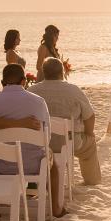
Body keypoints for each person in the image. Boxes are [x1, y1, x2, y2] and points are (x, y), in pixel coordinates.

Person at [0, 64, 65, 217]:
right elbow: (47, 137)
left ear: (2, 82)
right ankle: (56, 209)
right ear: (24, 81)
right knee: (52, 163)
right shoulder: (38, 102)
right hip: (33, 165)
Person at [30, 58, 102, 186]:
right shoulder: (74, 90)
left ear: (44, 72)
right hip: (70, 142)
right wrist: (89, 133)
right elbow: (90, 116)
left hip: (40, 144)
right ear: (62, 72)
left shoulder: (32, 91)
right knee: (89, 146)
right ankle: (92, 181)